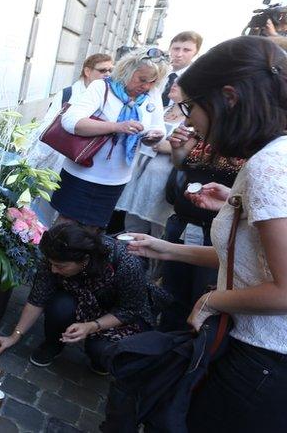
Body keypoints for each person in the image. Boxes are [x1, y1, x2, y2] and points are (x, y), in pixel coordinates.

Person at [127, 35, 287, 432]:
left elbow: (284, 290)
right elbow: (255, 264)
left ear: (229, 97)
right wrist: (167, 249)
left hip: (262, 359)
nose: (189, 118)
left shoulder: (269, 166)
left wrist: (211, 299)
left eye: (192, 106)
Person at [0, 222, 160, 374]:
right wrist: (14, 336)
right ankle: (53, 344)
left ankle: (99, 358)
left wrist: (92, 326)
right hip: (82, 302)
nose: (54, 270)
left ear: (84, 260)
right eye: (52, 264)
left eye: (60, 267)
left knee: (100, 350)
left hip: (120, 314)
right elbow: (38, 298)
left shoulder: (126, 263)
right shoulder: (53, 257)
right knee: (59, 306)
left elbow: (130, 309)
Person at [48, 49, 168, 229]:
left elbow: (158, 127)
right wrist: (116, 126)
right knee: (65, 227)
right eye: (142, 79)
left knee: (94, 230)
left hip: (116, 179)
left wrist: (153, 137)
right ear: (127, 71)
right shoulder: (102, 87)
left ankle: (83, 259)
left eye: (152, 82)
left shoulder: (152, 95)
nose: (146, 86)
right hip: (81, 174)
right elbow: (70, 121)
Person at [156, 112, 244, 331]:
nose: (188, 117)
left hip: (218, 234)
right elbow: (183, 166)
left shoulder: (255, 142)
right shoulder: (206, 131)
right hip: (183, 223)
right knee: (172, 297)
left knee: (203, 301)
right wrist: (179, 150)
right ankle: (164, 351)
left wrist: (232, 197)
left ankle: (189, 355)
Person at [27, 54, 114, 226]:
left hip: (85, 165)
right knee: (43, 208)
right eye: (102, 70)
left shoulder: (110, 97)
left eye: (111, 70)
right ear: (87, 71)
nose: (107, 74)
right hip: (55, 161)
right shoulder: (69, 93)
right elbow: (46, 127)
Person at [114, 82, 186, 239]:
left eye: (180, 85)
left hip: (165, 186)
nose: (174, 85)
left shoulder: (191, 119)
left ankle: (153, 264)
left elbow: (192, 149)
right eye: (174, 82)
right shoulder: (162, 109)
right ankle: (128, 262)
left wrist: (166, 146)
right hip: (140, 178)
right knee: (132, 229)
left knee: (159, 233)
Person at [160, 31, 203, 107]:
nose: (179, 54)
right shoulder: (158, 73)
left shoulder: (198, 80)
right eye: (176, 49)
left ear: (196, 52)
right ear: (169, 48)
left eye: (186, 50)